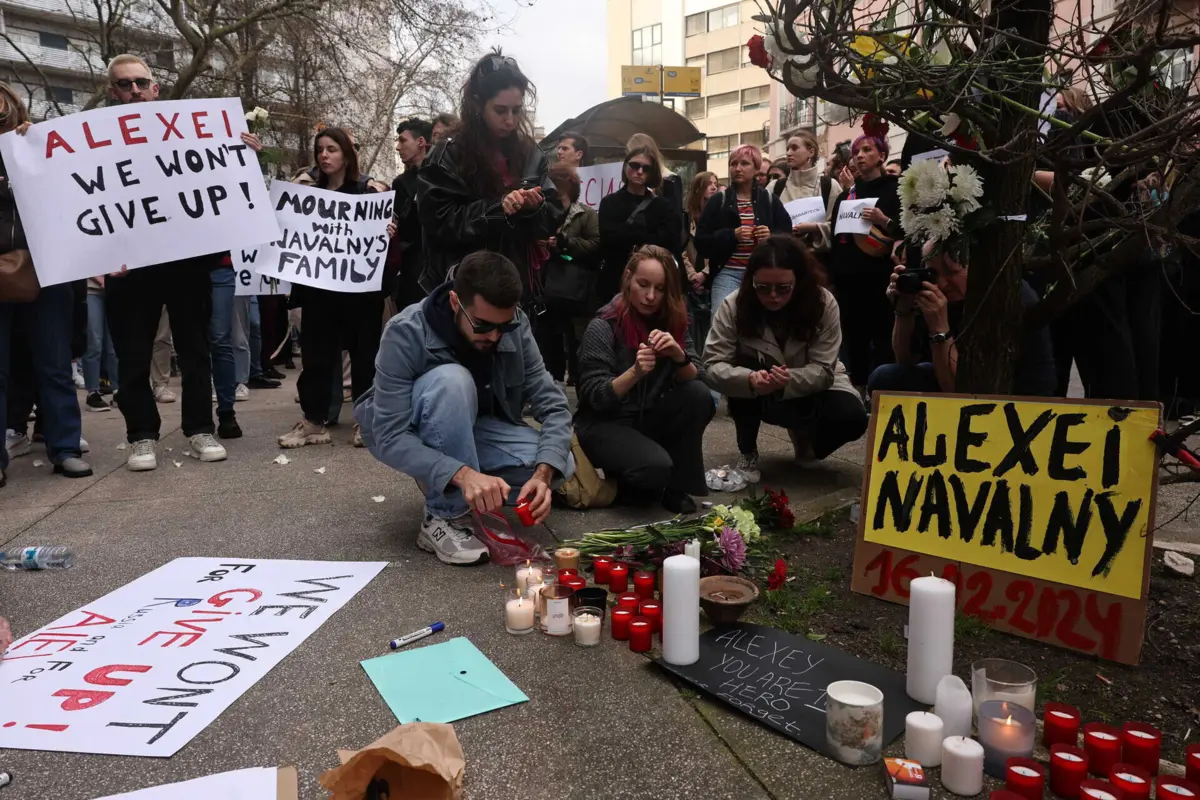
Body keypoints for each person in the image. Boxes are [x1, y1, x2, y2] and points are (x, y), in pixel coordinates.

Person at [355, 251, 574, 566]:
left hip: (477, 428)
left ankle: (456, 487)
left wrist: (541, 475)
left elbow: (553, 406)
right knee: (452, 381)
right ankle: (444, 516)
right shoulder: (405, 331)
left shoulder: (516, 324)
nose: (495, 336)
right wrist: (462, 472)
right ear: (456, 303)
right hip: (409, 430)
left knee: (559, 461)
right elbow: (389, 435)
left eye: (504, 326)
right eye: (483, 325)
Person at [101, 55, 234, 470]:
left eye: (142, 82)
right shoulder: (90, 141)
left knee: (196, 350)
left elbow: (220, 173)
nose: (135, 90)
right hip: (128, 267)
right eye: (125, 85)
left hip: (185, 263)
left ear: (156, 89)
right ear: (112, 92)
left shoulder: (187, 131)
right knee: (133, 356)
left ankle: (199, 427)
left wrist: (242, 150)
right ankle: (141, 435)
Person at [705, 236, 867, 482]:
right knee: (741, 373)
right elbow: (712, 365)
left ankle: (807, 436)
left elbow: (824, 370)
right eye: (763, 288)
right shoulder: (733, 305)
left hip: (812, 383)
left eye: (783, 288)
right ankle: (747, 449)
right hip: (757, 389)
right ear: (751, 282)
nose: (773, 296)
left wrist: (787, 380)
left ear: (799, 281)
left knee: (853, 417)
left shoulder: (823, 303)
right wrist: (749, 379)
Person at [0, 82, 92, 486]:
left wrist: (38, 148)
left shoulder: (39, 147)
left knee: (54, 365)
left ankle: (66, 447)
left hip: (47, 270)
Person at [417, 52, 562, 305]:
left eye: (517, 111)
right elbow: (439, 221)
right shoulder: (448, 153)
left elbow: (552, 215)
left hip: (517, 292)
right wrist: (499, 208)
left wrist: (534, 207)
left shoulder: (530, 152)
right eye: (500, 110)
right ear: (477, 105)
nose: (510, 120)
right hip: (463, 293)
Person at [576, 245, 712, 513]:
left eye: (660, 289)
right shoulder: (603, 324)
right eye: (643, 284)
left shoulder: (673, 320)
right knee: (652, 470)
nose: (650, 296)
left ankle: (676, 486)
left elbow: (700, 377)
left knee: (697, 394)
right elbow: (595, 396)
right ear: (628, 277)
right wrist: (634, 372)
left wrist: (678, 355)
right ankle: (630, 480)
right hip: (604, 424)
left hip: (646, 416)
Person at [278, 127, 384, 449]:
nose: (324, 155)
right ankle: (314, 421)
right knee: (316, 355)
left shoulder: (368, 192)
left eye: (332, 149)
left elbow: (383, 233)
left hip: (360, 293)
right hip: (319, 292)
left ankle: (365, 422)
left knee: (364, 354)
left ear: (346, 155)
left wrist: (386, 227)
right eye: (320, 150)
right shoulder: (306, 196)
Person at [869, 243, 1056, 396]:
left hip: (1014, 397)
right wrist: (904, 309)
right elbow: (905, 358)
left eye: (952, 272)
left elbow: (965, 394)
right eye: (933, 273)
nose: (942, 283)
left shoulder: (1009, 300)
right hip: (956, 377)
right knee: (885, 377)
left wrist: (939, 329)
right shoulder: (943, 297)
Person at [827, 129, 902, 395]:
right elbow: (837, 239)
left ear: (882, 156)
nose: (859, 156)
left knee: (883, 336)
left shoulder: (897, 189)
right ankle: (858, 390)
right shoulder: (847, 196)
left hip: (880, 277)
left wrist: (883, 220)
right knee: (853, 338)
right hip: (848, 279)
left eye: (867, 150)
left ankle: (882, 391)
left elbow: (906, 232)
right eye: (857, 152)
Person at [696, 145, 792, 317]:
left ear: (756, 168)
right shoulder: (718, 201)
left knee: (764, 326)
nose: (737, 168)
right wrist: (732, 235)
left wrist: (771, 236)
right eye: (733, 164)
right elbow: (701, 242)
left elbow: (788, 236)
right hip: (728, 273)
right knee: (720, 324)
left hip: (763, 274)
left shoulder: (769, 200)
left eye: (744, 163)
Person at [539, 161, 601, 387]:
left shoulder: (585, 214)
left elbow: (595, 245)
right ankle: (554, 380)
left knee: (578, 335)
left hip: (576, 287)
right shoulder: (542, 212)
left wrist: (566, 244)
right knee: (550, 335)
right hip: (547, 286)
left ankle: (581, 378)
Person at [597, 144, 682, 299]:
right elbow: (608, 240)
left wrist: (629, 233)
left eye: (646, 168)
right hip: (616, 281)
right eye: (635, 165)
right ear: (626, 166)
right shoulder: (609, 203)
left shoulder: (663, 206)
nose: (640, 171)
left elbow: (670, 242)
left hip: (653, 285)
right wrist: (647, 235)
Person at [767, 131, 841, 254]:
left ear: (811, 152)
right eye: (788, 148)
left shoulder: (830, 185)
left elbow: (838, 226)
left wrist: (814, 228)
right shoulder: (774, 187)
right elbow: (763, 222)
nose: (788, 153)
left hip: (818, 262)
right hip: (783, 260)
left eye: (794, 148)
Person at [388, 117, 432, 310]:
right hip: (412, 271)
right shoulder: (400, 184)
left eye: (403, 140)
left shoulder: (446, 175)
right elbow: (404, 231)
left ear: (421, 142)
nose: (398, 147)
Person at [682, 171, 720, 350]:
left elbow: (721, 250)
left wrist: (704, 274)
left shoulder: (719, 216)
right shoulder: (686, 217)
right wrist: (692, 275)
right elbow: (680, 249)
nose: (714, 187)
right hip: (688, 283)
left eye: (716, 183)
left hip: (712, 279)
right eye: (709, 184)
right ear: (698, 189)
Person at [83, 274, 119, 412]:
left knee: (113, 344)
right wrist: (101, 279)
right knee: (94, 343)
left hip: (114, 288)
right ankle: (92, 392)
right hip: (91, 289)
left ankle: (118, 390)